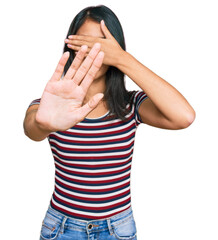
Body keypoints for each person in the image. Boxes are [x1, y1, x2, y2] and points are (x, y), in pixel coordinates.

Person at [23, 5, 195, 240]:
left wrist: (123, 59)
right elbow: (32, 128)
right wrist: (44, 124)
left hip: (118, 229)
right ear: (71, 45)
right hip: (62, 229)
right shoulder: (52, 105)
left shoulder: (131, 105)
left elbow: (184, 116)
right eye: (86, 42)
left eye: (103, 44)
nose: (94, 52)